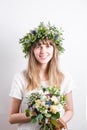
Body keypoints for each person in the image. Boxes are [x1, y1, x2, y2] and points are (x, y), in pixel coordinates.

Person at [9, 22, 75, 130]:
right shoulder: (20, 78)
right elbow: (11, 118)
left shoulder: (65, 77)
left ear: (54, 50)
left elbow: (69, 110)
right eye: (38, 46)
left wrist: (59, 122)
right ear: (32, 50)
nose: (43, 51)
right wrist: (37, 113)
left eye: (48, 46)